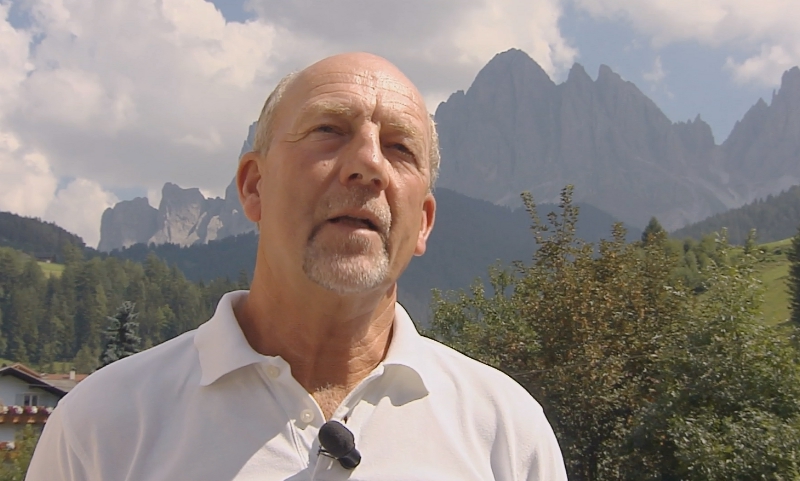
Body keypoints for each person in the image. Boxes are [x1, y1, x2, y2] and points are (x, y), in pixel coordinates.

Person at [27, 52, 567, 480]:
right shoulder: (102, 424)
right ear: (253, 186)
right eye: (329, 130)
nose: (369, 164)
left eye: (400, 147)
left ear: (423, 222)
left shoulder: (506, 432)